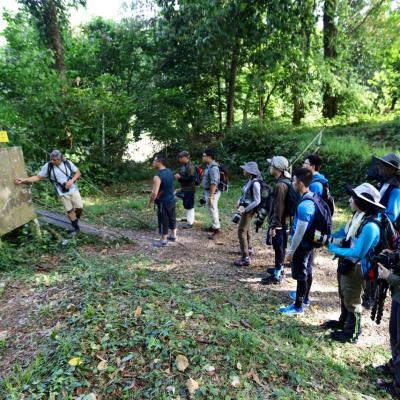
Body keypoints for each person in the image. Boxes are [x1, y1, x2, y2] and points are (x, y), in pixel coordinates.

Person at [323, 183, 384, 343]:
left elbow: (358, 253)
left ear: (362, 202)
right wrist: (326, 238)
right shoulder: (358, 218)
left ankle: (353, 333)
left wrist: (333, 249)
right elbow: (344, 236)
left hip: (358, 268)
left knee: (353, 299)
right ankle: (343, 322)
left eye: (353, 198)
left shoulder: (370, 226)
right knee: (344, 294)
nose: (350, 200)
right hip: (347, 264)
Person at [15, 150, 83, 236]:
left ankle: (75, 219)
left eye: (54, 160)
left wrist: (71, 181)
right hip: (62, 192)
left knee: (79, 208)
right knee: (70, 211)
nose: (52, 161)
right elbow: (38, 177)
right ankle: (76, 228)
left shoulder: (67, 163)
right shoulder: (48, 166)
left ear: (60, 159)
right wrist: (24, 180)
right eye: (51, 159)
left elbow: (78, 173)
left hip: (73, 189)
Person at [279, 168, 316, 315]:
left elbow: (300, 232)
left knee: (301, 275)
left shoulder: (303, 206)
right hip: (310, 243)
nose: (292, 182)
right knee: (307, 270)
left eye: (294, 180)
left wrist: (291, 251)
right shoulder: (311, 196)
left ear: (300, 183)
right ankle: (305, 298)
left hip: (303, 245)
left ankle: (298, 306)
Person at [261, 156, 291, 284]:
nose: (270, 167)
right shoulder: (285, 182)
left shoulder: (280, 186)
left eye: (271, 165)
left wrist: (274, 226)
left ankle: (277, 275)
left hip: (279, 223)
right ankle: (280, 269)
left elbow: (279, 208)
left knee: (278, 247)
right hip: (284, 222)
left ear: (277, 168)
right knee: (281, 247)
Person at [376, 248, 400, 398]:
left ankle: (398, 388)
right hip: (398, 296)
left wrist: (389, 276)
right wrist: (393, 254)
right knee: (394, 336)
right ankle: (396, 376)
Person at [233, 162, 262, 266]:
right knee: (247, 229)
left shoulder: (255, 183)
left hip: (249, 210)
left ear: (250, 171)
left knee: (241, 231)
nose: (243, 170)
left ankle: (245, 257)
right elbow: (245, 195)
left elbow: (257, 200)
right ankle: (249, 249)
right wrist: (239, 201)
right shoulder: (249, 181)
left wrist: (245, 210)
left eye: (245, 169)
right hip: (245, 208)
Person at [148, 154, 177, 247]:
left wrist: (150, 202)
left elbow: (154, 193)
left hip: (163, 202)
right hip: (171, 200)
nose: (153, 162)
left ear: (159, 162)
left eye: (154, 161)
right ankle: (173, 235)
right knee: (172, 217)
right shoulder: (169, 171)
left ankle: (163, 240)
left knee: (163, 219)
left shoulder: (157, 176)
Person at [202, 149, 221, 240]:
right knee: (211, 209)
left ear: (209, 157)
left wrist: (211, 196)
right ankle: (214, 226)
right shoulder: (209, 166)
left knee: (213, 209)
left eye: (204, 155)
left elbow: (214, 183)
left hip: (213, 192)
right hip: (208, 191)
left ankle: (217, 229)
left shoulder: (213, 168)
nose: (203, 157)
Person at [175, 151, 196, 228]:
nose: (179, 159)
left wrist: (180, 178)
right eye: (179, 157)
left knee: (189, 205)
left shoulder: (190, 166)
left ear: (186, 157)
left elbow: (191, 178)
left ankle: (190, 223)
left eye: (181, 157)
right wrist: (179, 178)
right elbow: (183, 178)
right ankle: (190, 219)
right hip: (184, 188)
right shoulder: (183, 166)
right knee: (186, 204)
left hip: (190, 189)